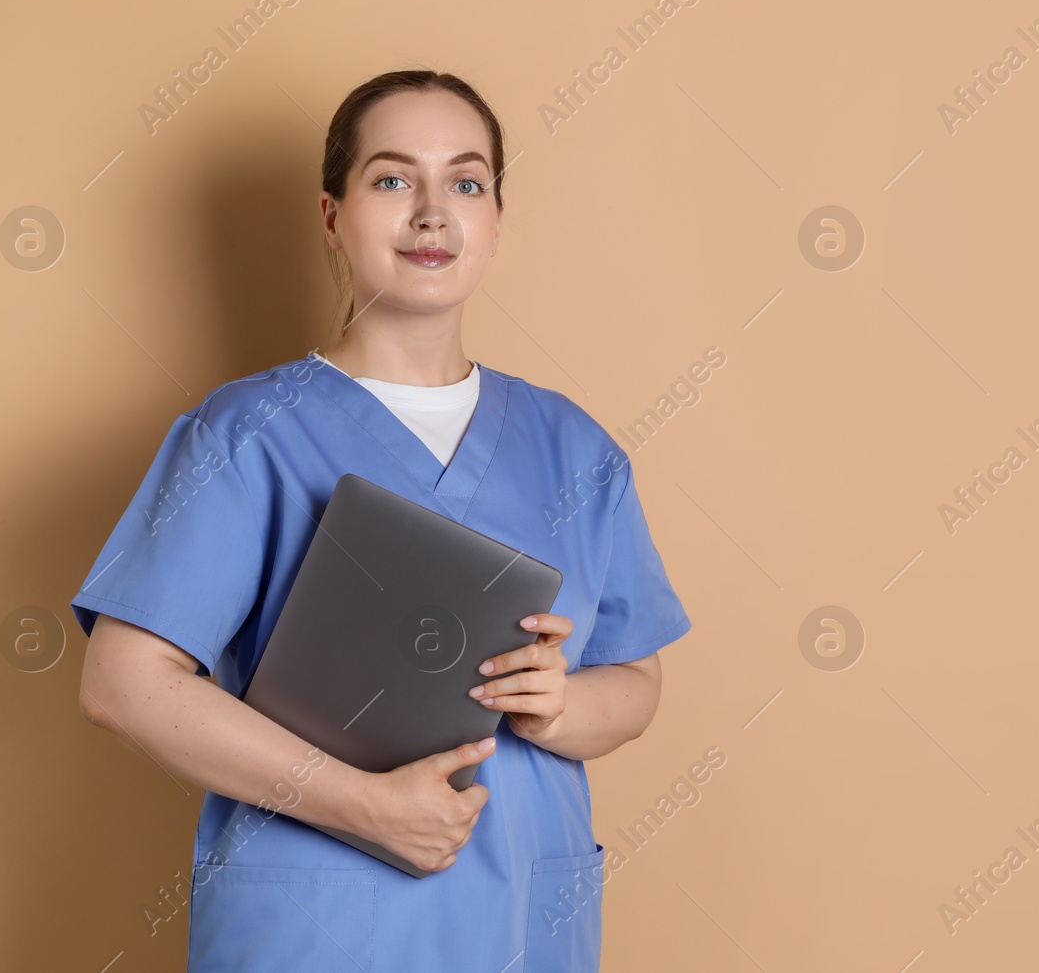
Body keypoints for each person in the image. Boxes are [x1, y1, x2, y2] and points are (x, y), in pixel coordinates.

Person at [71, 69, 691, 971]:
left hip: (524, 914)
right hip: (320, 921)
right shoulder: (249, 434)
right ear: (332, 214)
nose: (432, 212)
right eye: (393, 179)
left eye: (466, 182)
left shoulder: (575, 450)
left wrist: (558, 705)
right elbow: (123, 683)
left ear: (496, 218)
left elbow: (635, 680)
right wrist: (365, 805)